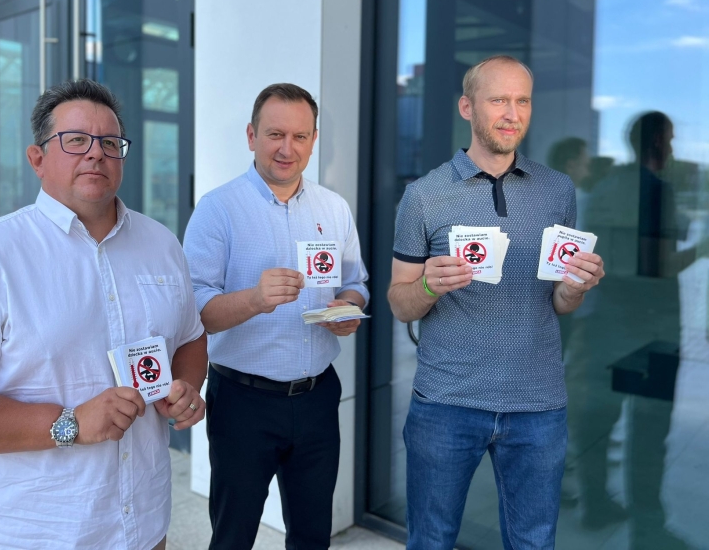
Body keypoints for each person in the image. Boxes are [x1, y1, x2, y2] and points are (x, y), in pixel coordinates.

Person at [0, 79, 207, 550]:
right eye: (76, 140)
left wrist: (184, 386)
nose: (96, 153)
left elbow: (190, 336)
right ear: (37, 158)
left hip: (142, 529)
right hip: (23, 532)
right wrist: (70, 423)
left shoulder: (161, 244)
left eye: (110, 143)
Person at [387, 55, 605, 550]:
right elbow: (400, 302)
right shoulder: (423, 196)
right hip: (446, 402)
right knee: (431, 541)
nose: (512, 113)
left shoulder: (558, 189)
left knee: (534, 543)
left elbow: (559, 300)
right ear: (467, 107)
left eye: (522, 101)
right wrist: (428, 287)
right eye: (498, 100)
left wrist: (574, 288)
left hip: (538, 405)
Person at [183, 82, 369, 550]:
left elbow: (356, 282)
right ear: (251, 136)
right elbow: (194, 313)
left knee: (312, 536)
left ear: (314, 139)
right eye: (275, 134)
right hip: (243, 403)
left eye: (300, 136)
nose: (288, 148)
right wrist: (255, 299)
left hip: (317, 397)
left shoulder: (334, 208)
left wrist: (349, 307)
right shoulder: (217, 210)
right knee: (233, 537)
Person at [566, 111, 707, 548]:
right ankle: (648, 529)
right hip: (652, 329)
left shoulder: (604, 188)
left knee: (599, 421)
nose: (673, 147)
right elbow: (659, 265)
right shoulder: (658, 191)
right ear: (658, 142)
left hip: (607, 324)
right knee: (648, 432)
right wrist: (702, 249)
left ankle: (594, 504)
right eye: (671, 139)